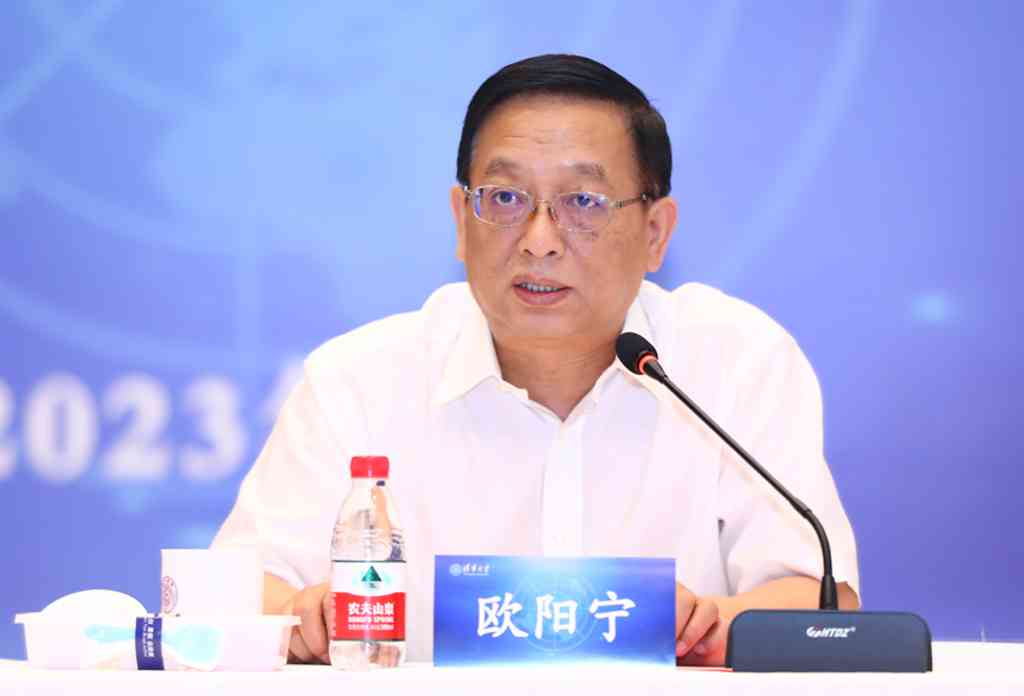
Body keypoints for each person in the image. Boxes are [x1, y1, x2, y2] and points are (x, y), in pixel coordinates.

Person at [212, 54, 860, 667]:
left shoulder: (736, 360)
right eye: (504, 198)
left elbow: (820, 598)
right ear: (461, 220)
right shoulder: (357, 379)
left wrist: (708, 626)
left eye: (584, 202)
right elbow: (234, 593)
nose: (540, 241)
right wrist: (301, 617)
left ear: (655, 232)